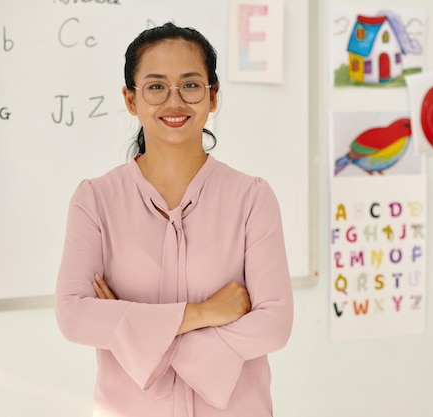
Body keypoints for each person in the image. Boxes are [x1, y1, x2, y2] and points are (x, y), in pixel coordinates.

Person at [55, 22, 294, 417]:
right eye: (155, 86)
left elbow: (274, 325)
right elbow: (73, 315)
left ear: (212, 96)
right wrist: (204, 313)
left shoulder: (252, 197)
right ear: (131, 100)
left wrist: (135, 331)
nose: (174, 101)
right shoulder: (94, 200)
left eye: (190, 84)